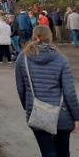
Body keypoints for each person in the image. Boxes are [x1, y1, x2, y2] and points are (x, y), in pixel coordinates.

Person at [15, 26, 79, 156]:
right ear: (50, 38)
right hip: (62, 115)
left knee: (47, 152)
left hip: (37, 113)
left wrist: (28, 107)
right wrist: (77, 117)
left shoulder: (23, 58)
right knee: (63, 152)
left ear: (34, 37)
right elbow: (69, 92)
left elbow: (21, 88)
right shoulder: (61, 59)